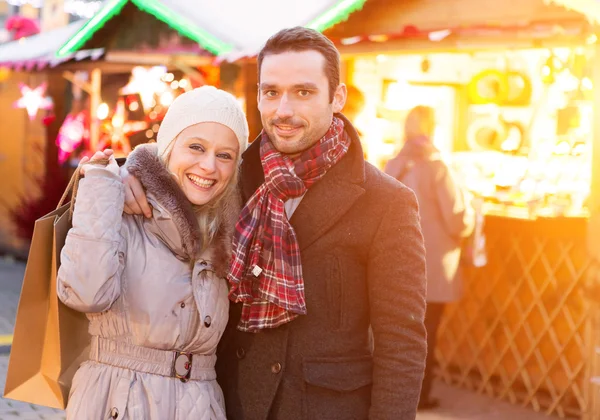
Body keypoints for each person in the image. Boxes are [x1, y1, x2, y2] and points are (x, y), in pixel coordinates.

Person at [122, 27, 427, 419]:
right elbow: (170, 168)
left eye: (303, 92)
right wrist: (125, 174)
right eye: (271, 92)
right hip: (228, 405)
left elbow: (401, 344)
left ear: (337, 98)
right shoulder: (232, 177)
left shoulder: (387, 201)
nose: (283, 110)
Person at [57, 86, 249, 420]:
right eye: (196, 147)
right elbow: (85, 294)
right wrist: (100, 188)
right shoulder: (124, 207)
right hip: (118, 401)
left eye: (224, 155)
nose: (208, 166)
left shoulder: (227, 235)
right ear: (169, 147)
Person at [385, 105, 475, 410]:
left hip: (395, 262)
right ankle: (420, 397)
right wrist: (473, 214)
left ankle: (396, 395)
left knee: (398, 332)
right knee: (426, 332)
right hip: (432, 265)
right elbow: (458, 219)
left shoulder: (393, 165)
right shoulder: (438, 167)